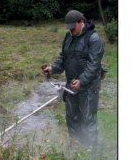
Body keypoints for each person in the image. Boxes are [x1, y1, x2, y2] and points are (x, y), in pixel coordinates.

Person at [42, 10, 105, 147]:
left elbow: (94, 65)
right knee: (72, 118)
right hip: (71, 85)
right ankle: (76, 146)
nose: (71, 30)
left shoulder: (93, 39)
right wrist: (53, 68)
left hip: (88, 87)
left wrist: (82, 80)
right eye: (69, 27)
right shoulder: (68, 37)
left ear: (81, 22)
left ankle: (90, 151)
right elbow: (63, 58)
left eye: (73, 27)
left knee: (87, 119)